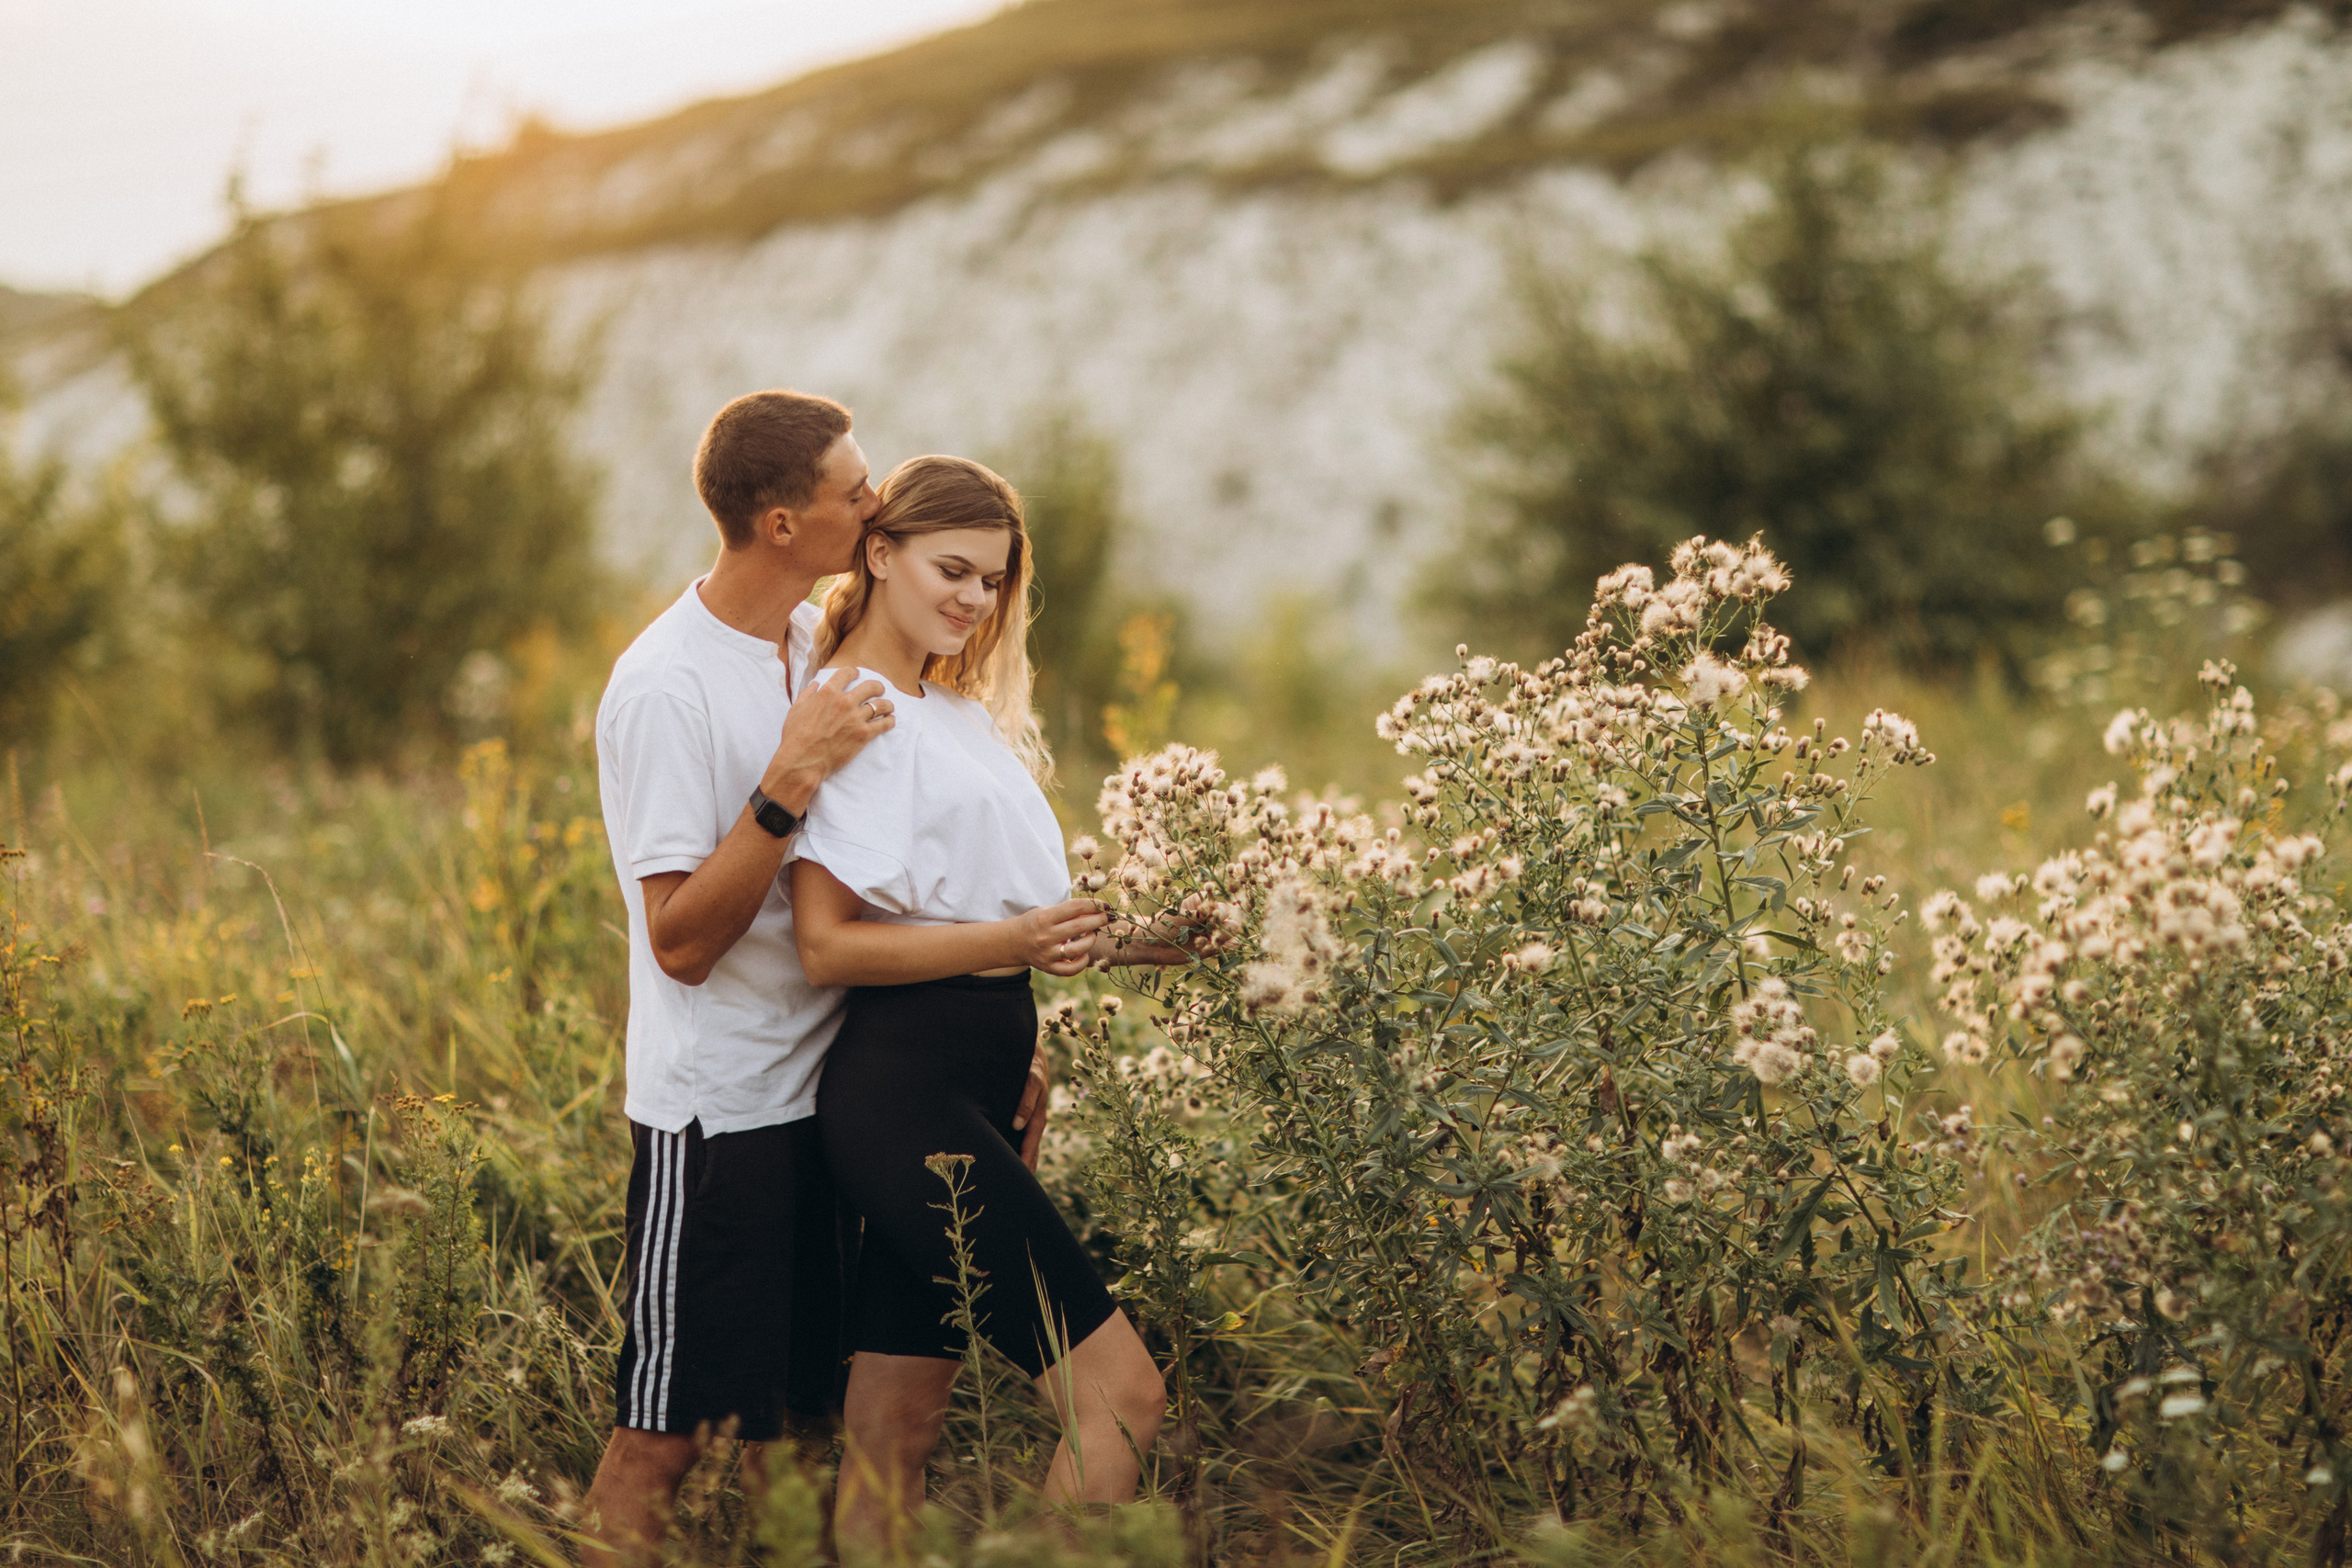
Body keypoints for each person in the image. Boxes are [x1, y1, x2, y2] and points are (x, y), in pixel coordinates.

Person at [583, 394, 1110, 1566]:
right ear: (782, 522)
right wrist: (787, 785)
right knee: (664, 1439)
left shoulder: (806, 644)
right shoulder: (667, 686)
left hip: (831, 1087)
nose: (877, 506)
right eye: (854, 493)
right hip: (721, 1110)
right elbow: (678, 942)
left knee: (805, 1437)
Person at [787, 455, 1184, 1551]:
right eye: (949, 570)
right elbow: (827, 945)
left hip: (979, 1087)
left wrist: (1166, 941)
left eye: (992, 582)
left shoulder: (955, 717)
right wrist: (1016, 942)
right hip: (905, 1101)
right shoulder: (850, 712)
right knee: (1120, 1396)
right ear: (879, 554)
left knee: (895, 1432)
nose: (972, 600)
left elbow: (1025, 922)